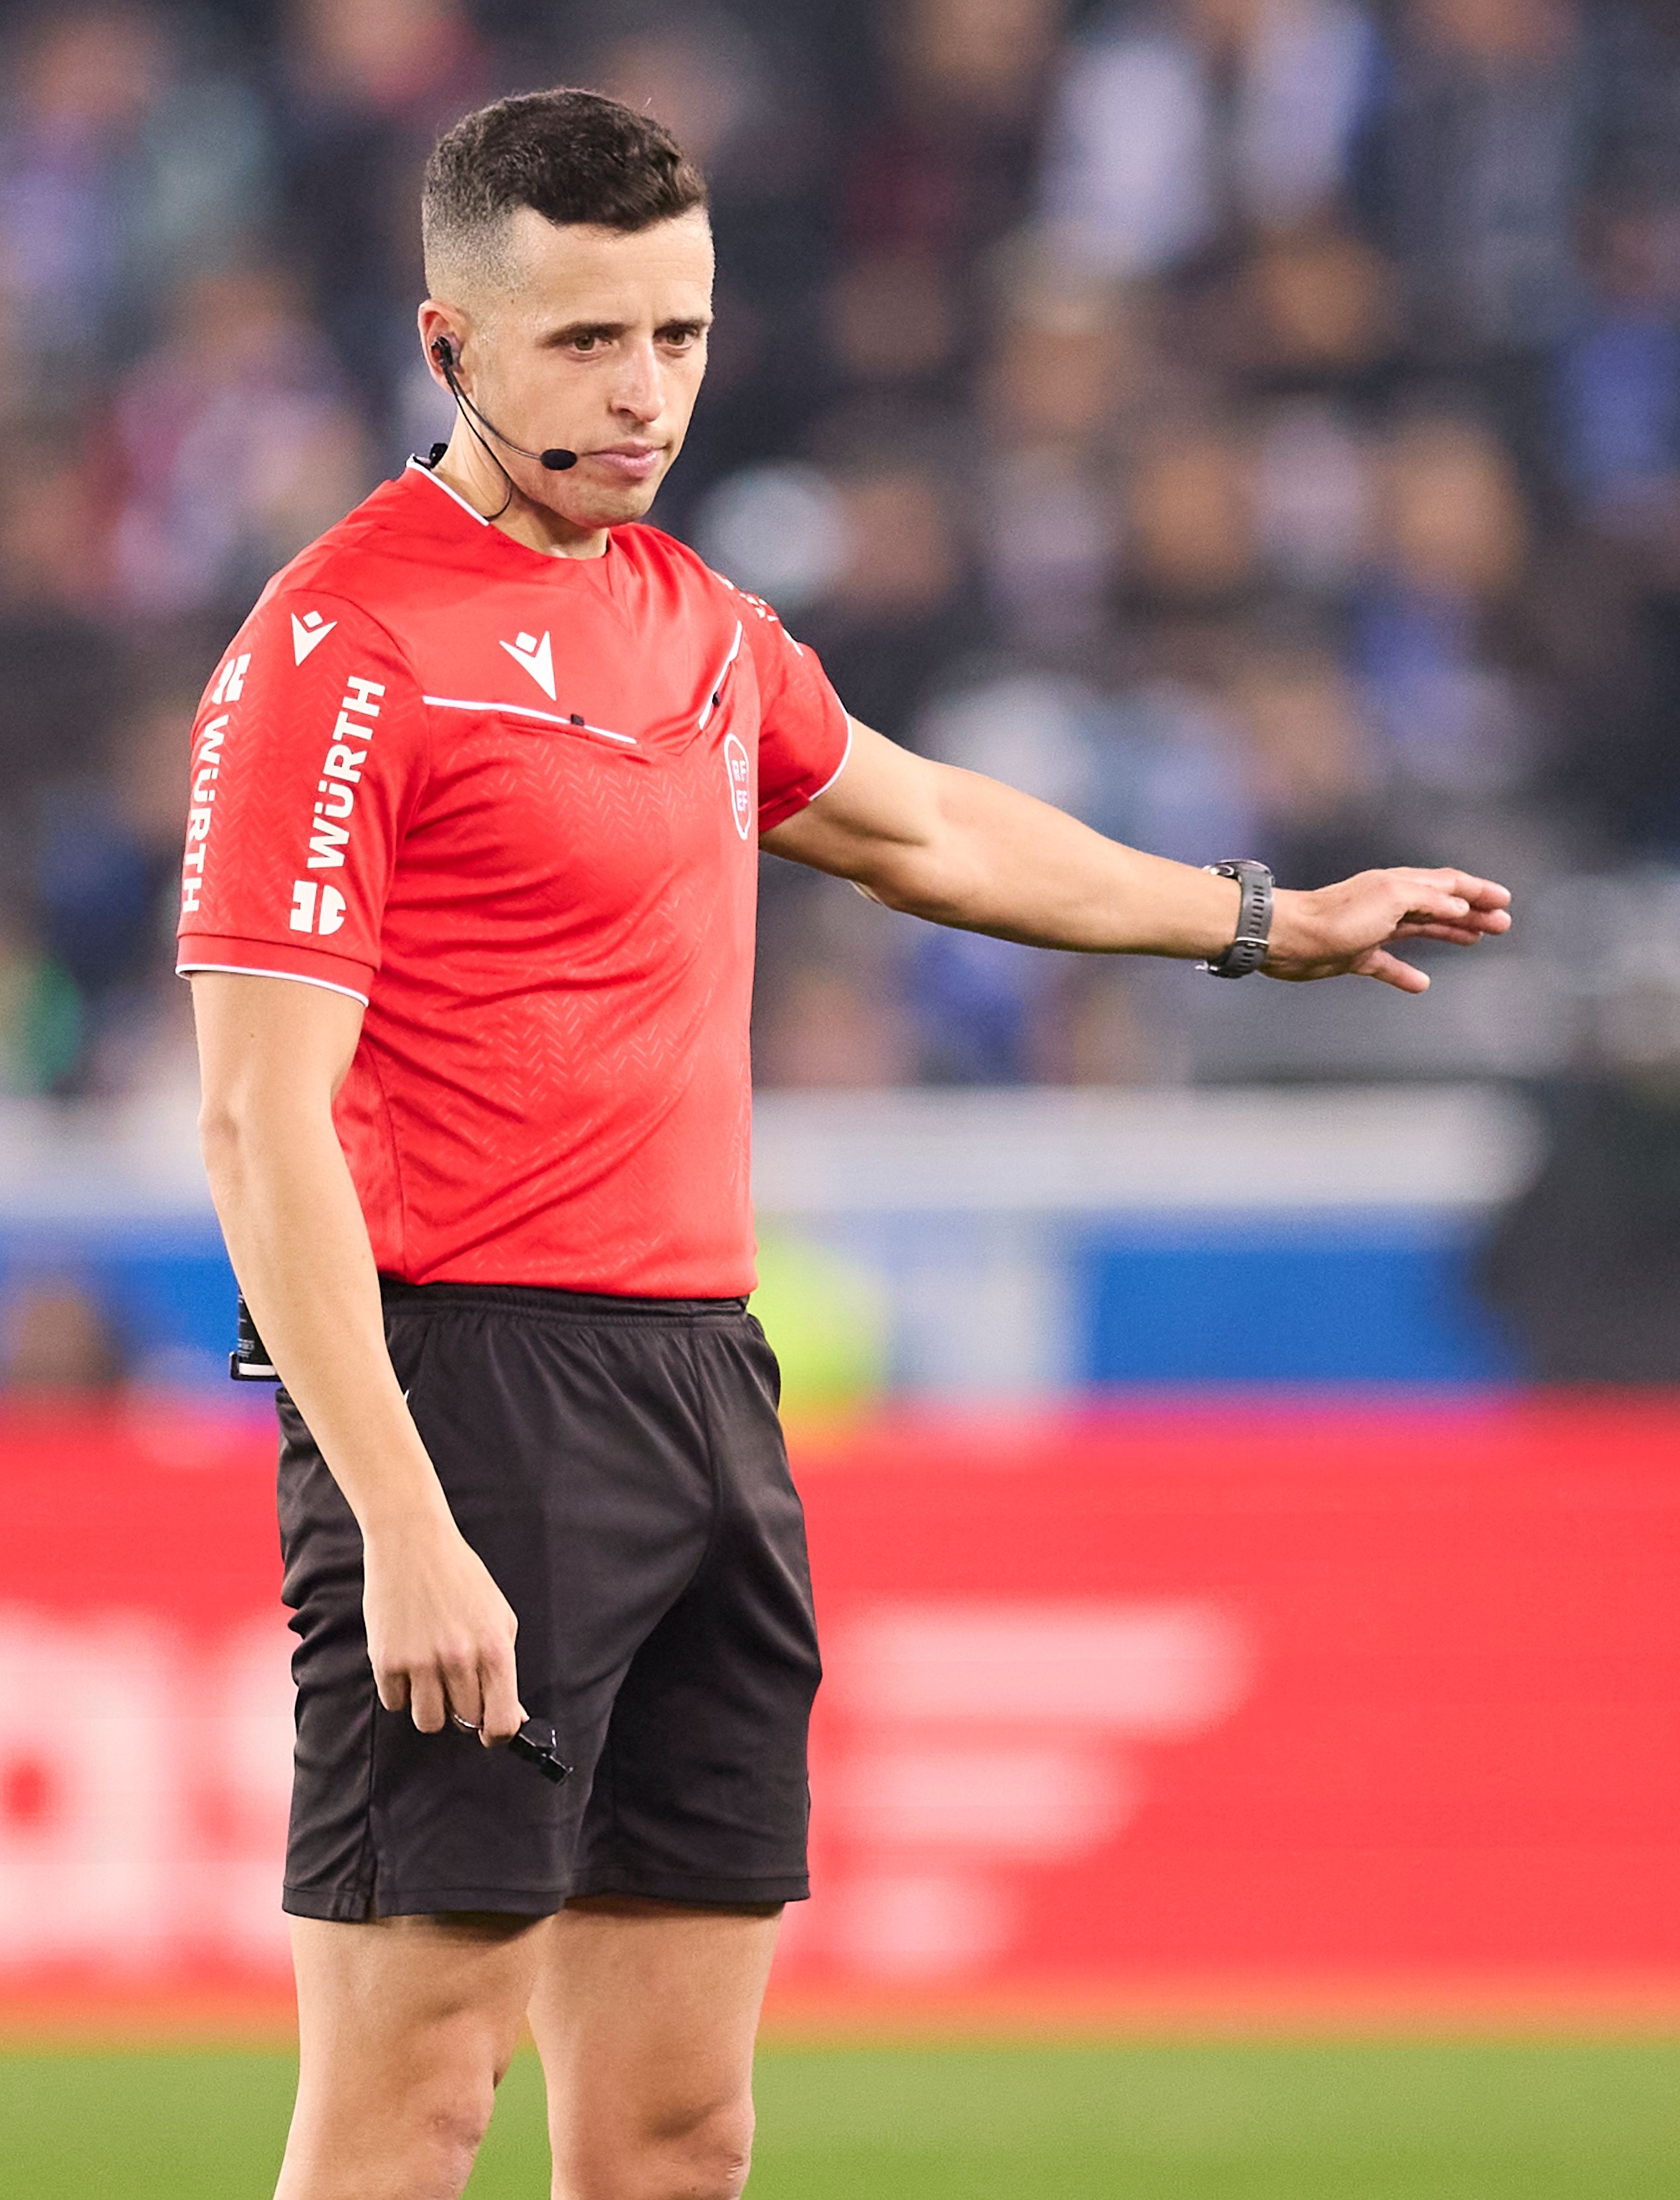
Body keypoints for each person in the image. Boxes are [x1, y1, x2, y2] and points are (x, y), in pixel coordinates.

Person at [177, 90, 1513, 2200]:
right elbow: (260, 1120)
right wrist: (404, 1522)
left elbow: (927, 829)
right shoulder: (341, 650)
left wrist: (1263, 919)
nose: (644, 394)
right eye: (587, 342)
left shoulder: (693, 622)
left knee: (682, 2134)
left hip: (703, 1387)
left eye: (680, 337)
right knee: (414, 2101)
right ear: (449, 345)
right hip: (473, 1396)